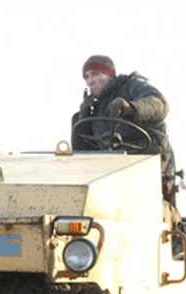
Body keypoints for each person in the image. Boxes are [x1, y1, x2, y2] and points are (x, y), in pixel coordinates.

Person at [71, 55, 177, 209]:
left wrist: (131, 108)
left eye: (95, 74)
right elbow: (81, 156)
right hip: (111, 175)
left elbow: (159, 104)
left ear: (109, 75)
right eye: (86, 77)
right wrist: (82, 118)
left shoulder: (131, 86)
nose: (90, 81)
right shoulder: (94, 110)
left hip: (149, 164)